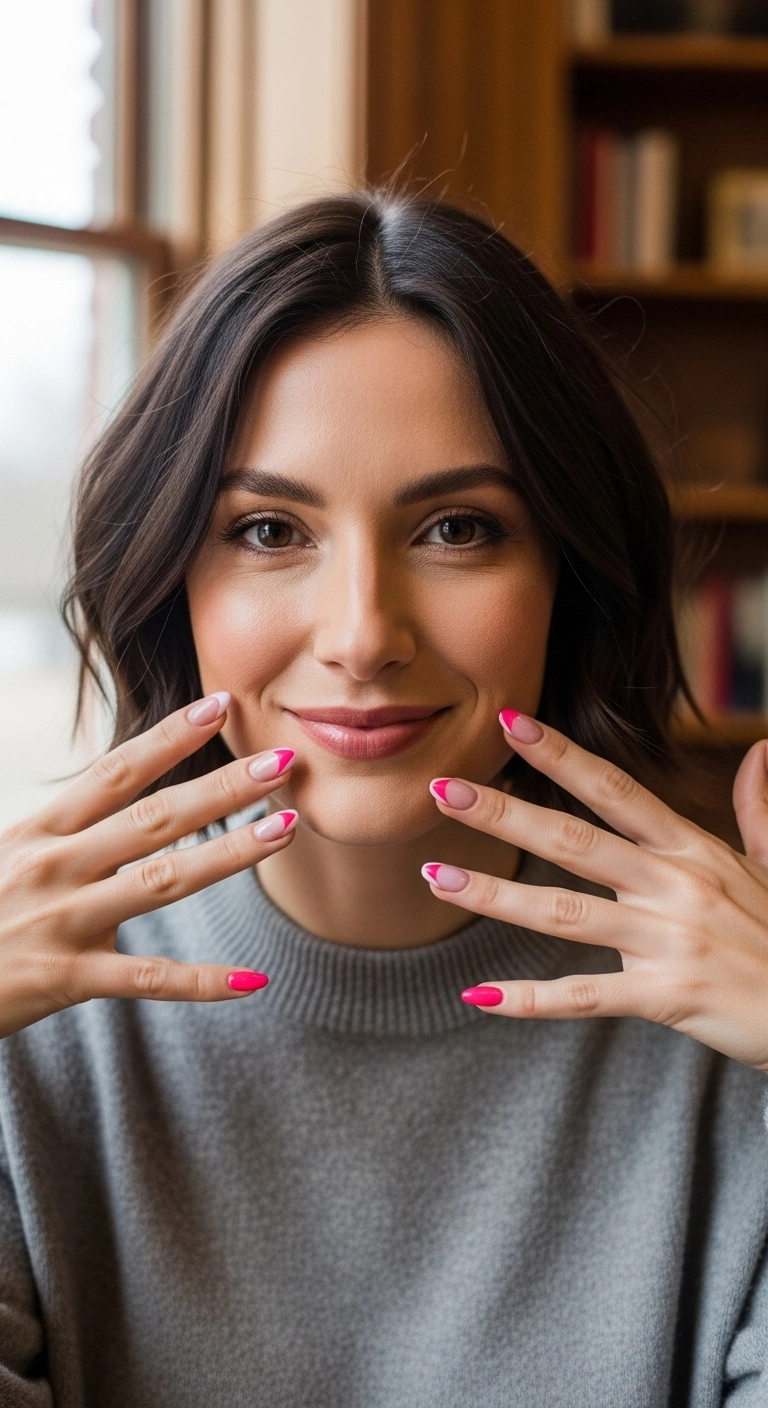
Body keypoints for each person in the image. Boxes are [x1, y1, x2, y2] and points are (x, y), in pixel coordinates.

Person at [0, 191, 767, 1408]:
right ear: (169, 583)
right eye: (267, 529)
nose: (362, 635)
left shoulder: (734, 1024)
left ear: (571, 574)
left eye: (459, 528)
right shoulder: (28, 1021)